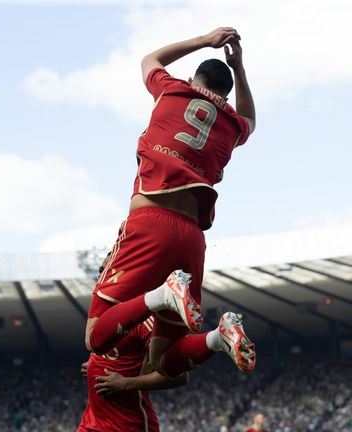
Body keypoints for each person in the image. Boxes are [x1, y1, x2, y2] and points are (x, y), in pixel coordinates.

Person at [85, 26, 256, 377]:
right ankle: (217, 338)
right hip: (191, 240)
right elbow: (251, 119)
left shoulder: (173, 90)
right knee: (162, 362)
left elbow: (151, 59)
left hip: (152, 223)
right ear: (226, 92)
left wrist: (205, 40)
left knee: (95, 338)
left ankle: (163, 295)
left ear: (194, 78)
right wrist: (239, 67)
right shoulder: (232, 124)